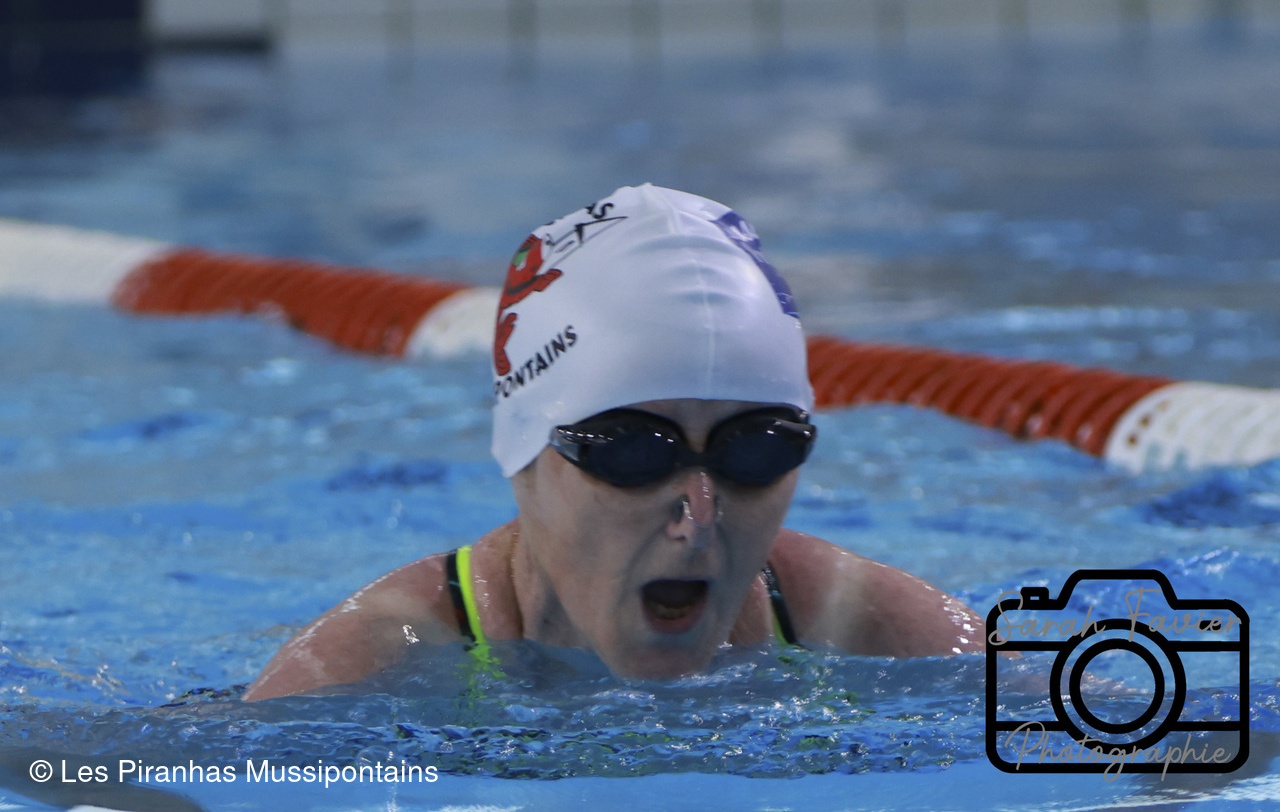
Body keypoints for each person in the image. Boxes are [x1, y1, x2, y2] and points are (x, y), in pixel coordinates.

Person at [243, 184, 983, 701]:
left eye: (755, 451)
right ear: (526, 458)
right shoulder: (368, 672)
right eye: (634, 453)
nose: (698, 515)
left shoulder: (872, 631)